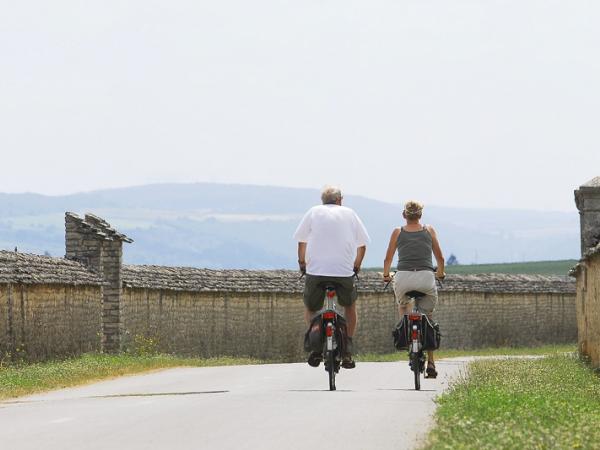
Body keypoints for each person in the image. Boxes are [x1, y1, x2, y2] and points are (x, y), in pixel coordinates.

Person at [293, 185, 370, 369]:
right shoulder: (350, 213)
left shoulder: (313, 212)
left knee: (311, 306)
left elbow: (302, 241)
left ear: (323, 200)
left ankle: (316, 341)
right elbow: (363, 244)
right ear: (339, 200)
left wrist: (302, 263)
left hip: (316, 272)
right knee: (349, 306)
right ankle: (348, 348)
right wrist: (356, 265)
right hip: (343, 272)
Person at [382, 200, 445, 378]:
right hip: (426, 277)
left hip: (403, 279)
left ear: (404, 215)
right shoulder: (429, 230)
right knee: (429, 317)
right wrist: (440, 273)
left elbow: (387, 259)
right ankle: (431, 362)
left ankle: (408, 336)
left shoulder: (397, 232)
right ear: (421, 215)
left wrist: (387, 275)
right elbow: (440, 259)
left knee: (403, 306)